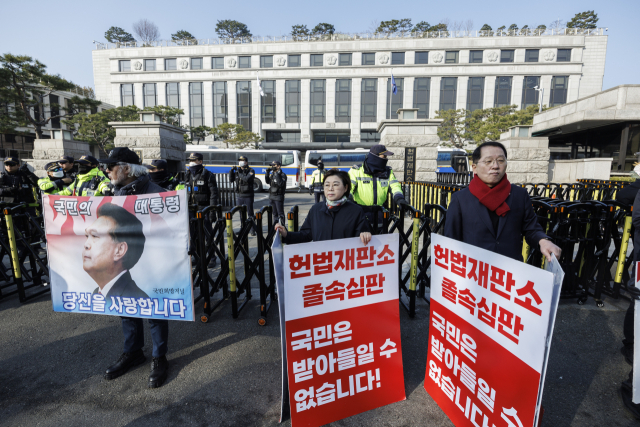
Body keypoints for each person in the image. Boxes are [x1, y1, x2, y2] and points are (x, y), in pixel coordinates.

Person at [98, 147, 169, 389]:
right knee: (125, 304)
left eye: (111, 166)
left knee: (155, 308)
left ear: (126, 169)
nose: (106, 170)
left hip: (154, 262)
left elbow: (174, 231)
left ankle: (160, 357)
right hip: (123, 260)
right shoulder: (112, 195)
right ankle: (133, 352)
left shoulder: (159, 194)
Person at [444, 141, 561, 262]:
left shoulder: (519, 195)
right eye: (488, 161)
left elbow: (531, 228)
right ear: (475, 168)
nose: (495, 166)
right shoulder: (460, 199)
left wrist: (543, 241)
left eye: (500, 160)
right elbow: (451, 240)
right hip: (473, 271)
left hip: (509, 271)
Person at [275, 169, 371, 245]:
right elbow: (305, 235)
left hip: (344, 264)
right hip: (323, 264)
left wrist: (365, 235)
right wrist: (286, 234)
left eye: (335, 185)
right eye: (327, 185)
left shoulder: (356, 211)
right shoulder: (316, 209)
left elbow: (362, 239)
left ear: (345, 188)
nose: (330, 188)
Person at [84, 203, 147, 299]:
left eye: (95, 236)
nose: (86, 245)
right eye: (87, 236)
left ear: (120, 250)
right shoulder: (97, 293)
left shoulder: (137, 300)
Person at [348, 145, 409, 226]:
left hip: (380, 214)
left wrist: (400, 199)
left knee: (380, 237)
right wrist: (348, 201)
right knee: (362, 237)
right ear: (375, 157)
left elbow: (395, 187)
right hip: (361, 214)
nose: (386, 159)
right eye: (384, 156)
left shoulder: (388, 172)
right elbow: (348, 189)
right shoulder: (356, 171)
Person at [185, 153, 219, 266]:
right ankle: (197, 256)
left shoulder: (208, 175)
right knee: (193, 235)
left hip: (204, 208)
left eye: (193, 160)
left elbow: (214, 194)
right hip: (191, 209)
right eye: (190, 160)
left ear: (200, 161)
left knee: (208, 234)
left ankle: (212, 257)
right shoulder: (188, 174)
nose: (191, 162)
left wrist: (212, 210)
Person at [229, 155, 257, 236]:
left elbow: (247, 179)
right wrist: (231, 171)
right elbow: (231, 180)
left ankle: (252, 229)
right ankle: (243, 228)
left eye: (243, 160)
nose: (241, 162)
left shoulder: (251, 170)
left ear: (246, 162)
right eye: (240, 160)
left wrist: (239, 173)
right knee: (241, 213)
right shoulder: (238, 171)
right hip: (240, 195)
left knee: (250, 213)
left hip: (248, 195)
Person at [265, 160, 287, 226]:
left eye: (274, 165)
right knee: (274, 214)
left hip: (278, 196)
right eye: (272, 165)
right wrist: (267, 173)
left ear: (278, 166)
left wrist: (277, 174)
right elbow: (267, 182)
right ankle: (276, 226)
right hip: (272, 196)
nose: (272, 167)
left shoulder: (282, 175)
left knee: (280, 214)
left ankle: (282, 227)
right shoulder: (273, 174)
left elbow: (281, 184)